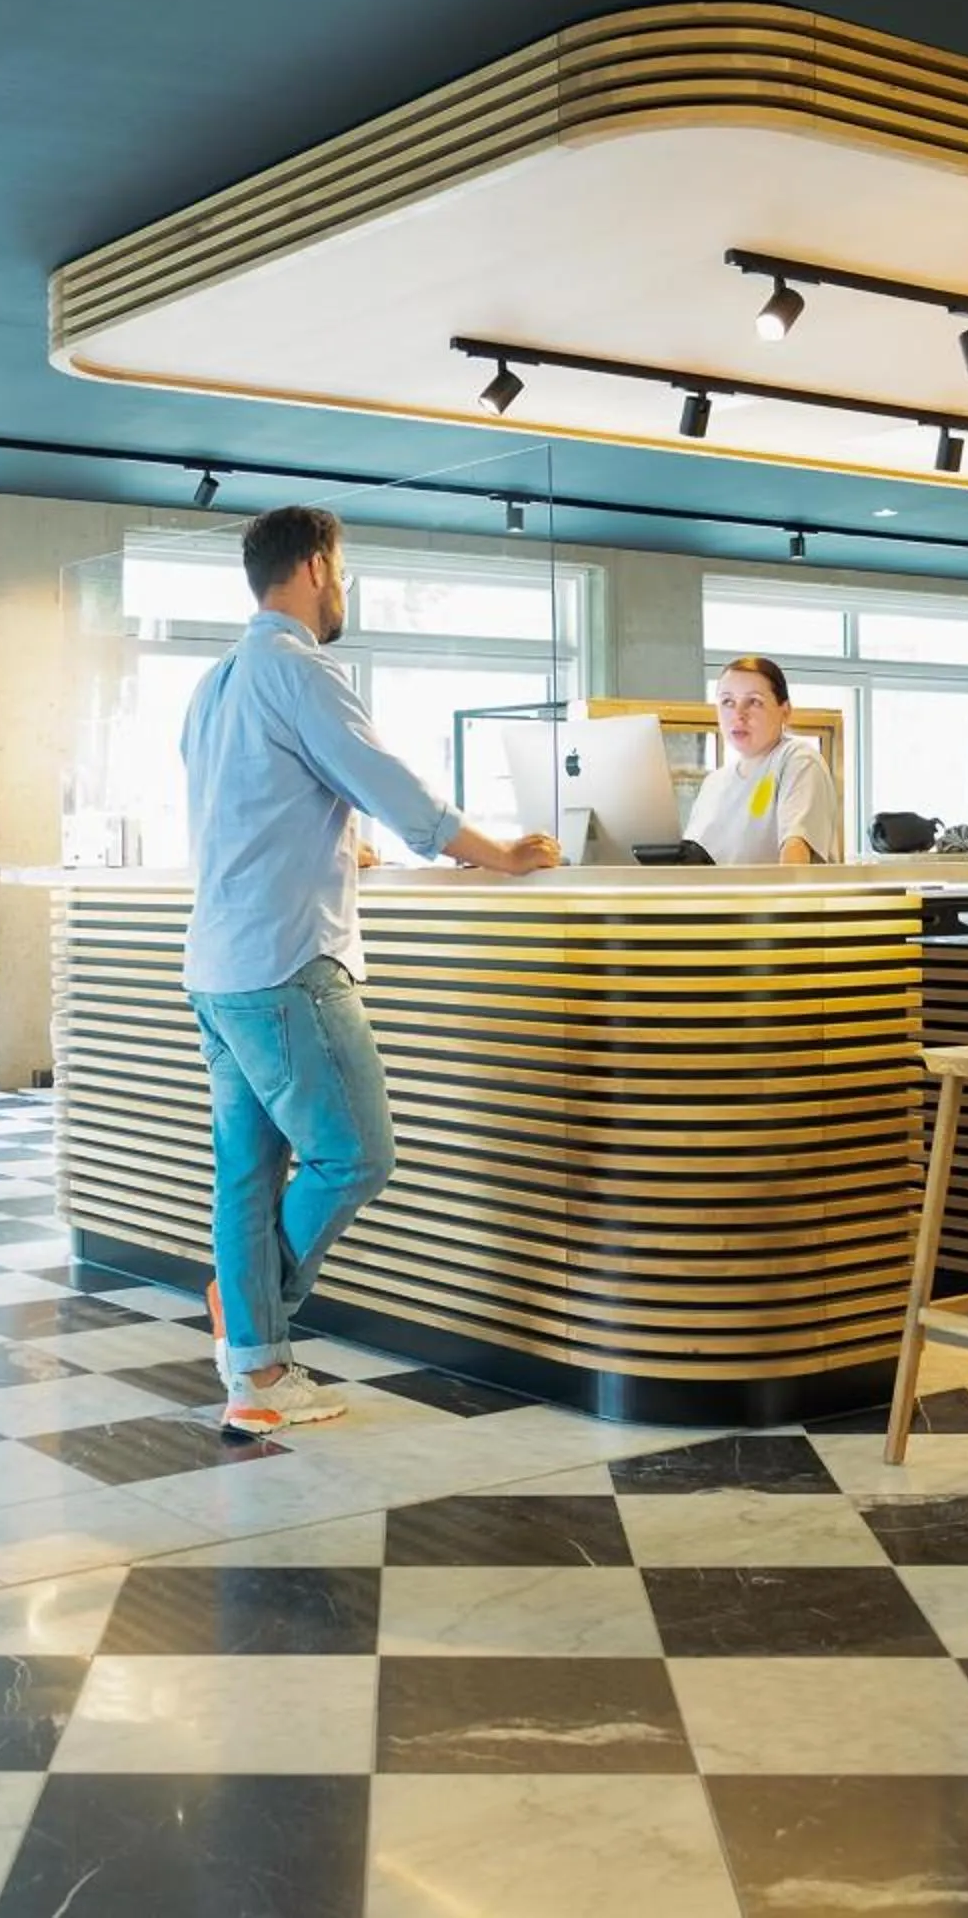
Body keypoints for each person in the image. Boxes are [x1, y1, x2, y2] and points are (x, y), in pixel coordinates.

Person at [180, 505, 561, 1434]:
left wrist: (342, 844)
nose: (343, 587)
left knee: (246, 1177)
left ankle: (256, 1381)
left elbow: (260, 808)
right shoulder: (298, 671)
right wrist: (499, 853)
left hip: (217, 964)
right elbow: (395, 788)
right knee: (357, 1152)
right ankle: (255, 1307)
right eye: (342, 570)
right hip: (288, 961)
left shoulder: (217, 680)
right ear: (314, 567)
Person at [685, 655, 843, 865]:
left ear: (785, 712)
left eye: (754, 702)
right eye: (727, 702)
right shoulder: (713, 783)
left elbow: (795, 854)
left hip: (777, 898)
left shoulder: (797, 760)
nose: (738, 715)